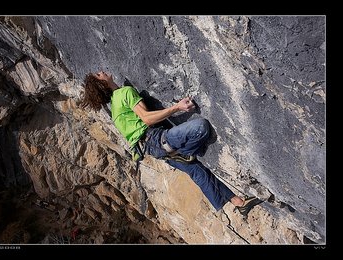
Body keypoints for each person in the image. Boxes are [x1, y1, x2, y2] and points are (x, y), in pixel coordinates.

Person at [80, 71, 261, 216]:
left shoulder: (114, 110)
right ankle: (186, 151)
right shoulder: (124, 93)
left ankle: (238, 203)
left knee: (196, 170)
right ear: (102, 84)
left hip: (153, 149)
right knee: (200, 127)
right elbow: (147, 119)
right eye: (98, 75)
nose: (101, 72)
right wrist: (177, 107)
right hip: (157, 139)